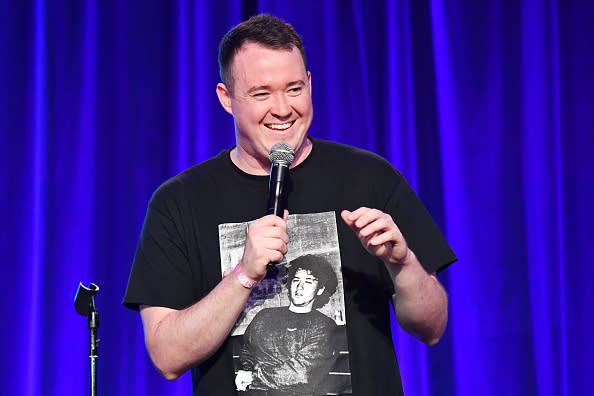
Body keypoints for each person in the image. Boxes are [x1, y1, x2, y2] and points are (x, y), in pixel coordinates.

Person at [123, 14, 456, 396]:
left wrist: (403, 263)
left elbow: (432, 327)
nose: (282, 109)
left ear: (310, 84)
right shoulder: (179, 202)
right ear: (226, 98)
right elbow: (167, 356)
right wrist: (244, 275)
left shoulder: (371, 178)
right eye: (261, 93)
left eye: (294, 89)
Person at [235, 255, 340, 395]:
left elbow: (301, 373)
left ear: (320, 289)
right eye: (296, 280)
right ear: (290, 284)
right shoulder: (264, 316)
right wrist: (246, 370)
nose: (300, 287)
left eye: (308, 282)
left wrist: (253, 378)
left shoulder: (324, 326)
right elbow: (247, 350)